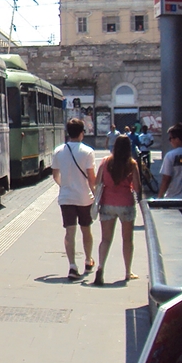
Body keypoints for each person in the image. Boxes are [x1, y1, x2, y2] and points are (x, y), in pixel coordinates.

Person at [52, 117, 97, 281]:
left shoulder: (58, 151)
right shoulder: (88, 152)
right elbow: (92, 178)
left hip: (66, 197)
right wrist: (95, 193)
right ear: (82, 133)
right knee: (86, 230)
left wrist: (63, 186)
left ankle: (72, 265)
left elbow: (55, 175)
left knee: (69, 232)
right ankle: (88, 260)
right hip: (84, 197)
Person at [93, 135, 140, 286]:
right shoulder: (132, 164)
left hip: (107, 204)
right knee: (127, 239)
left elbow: (97, 182)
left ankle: (100, 267)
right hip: (126, 204)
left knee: (105, 239)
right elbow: (138, 187)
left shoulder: (106, 162)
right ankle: (127, 272)